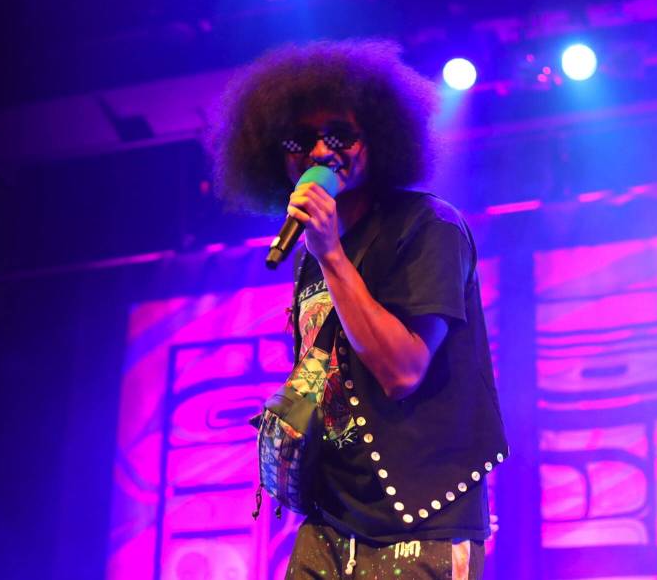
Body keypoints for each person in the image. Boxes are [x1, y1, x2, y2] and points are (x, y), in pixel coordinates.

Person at [210, 39, 508, 579]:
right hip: (329, 522)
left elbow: (402, 370)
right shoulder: (312, 255)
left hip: (423, 520)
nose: (322, 151)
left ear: (380, 138)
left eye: (340, 135)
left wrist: (330, 256)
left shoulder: (428, 227)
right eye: (301, 140)